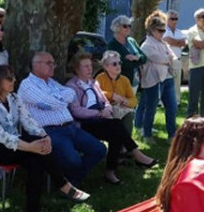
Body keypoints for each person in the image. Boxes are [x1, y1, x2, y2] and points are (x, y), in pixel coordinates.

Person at [0, 65, 90, 212]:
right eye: (9, 78)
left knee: (36, 160)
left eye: (13, 77)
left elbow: (29, 121)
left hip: (17, 144)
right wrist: (30, 146)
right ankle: (63, 186)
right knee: (35, 152)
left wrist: (45, 137)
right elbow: (1, 136)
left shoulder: (15, 98)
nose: (14, 81)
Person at [66, 52, 157, 185]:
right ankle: (135, 155)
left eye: (90, 66)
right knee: (116, 126)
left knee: (116, 131)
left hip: (100, 119)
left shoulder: (93, 83)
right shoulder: (72, 86)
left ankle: (111, 171)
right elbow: (76, 111)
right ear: (76, 69)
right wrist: (97, 112)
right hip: (85, 122)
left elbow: (104, 100)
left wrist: (107, 108)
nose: (90, 69)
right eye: (85, 66)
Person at [18, 52, 106, 186]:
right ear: (36, 65)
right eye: (49, 63)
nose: (53, 66)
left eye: (53, 63)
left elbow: (71, 94)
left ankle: (70, 182)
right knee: (73, 161)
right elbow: (51, 103)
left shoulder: (52, 82)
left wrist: (57, 98)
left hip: (71, 127)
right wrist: (59, 99)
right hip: (50, 131)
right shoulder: (27, 85)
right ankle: (68, 183)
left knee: (99, 149)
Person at [138, 11, 180, 140]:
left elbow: (173, 56)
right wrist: (168, 58)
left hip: (168, 79)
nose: (162, 33)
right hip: (154, 81)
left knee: (172, 108)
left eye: (164, 30)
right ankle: (147, 134)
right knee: (151, 108)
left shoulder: (163, 43)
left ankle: (172, 135)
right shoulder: (146, 45)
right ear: (151, 30)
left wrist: (168, 58)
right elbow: (159, 58)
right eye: (160, 30)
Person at [96, 51, 137, 136]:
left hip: (120, 108)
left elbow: (134, 100)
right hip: (104, 109)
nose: (118, 66)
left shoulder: (124, 80)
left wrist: (126, 102)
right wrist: (111, 95)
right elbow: (96, 93)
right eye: (114, 64)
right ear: (106, 66)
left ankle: (126, 144)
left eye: (119, 63)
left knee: (130, 113)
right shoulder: (100, 78)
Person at [107, 15, 147, 91]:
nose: (128, 28)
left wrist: (136, 57)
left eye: (129, 26)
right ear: (117, 27)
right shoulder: (112, 45)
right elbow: (117, 64)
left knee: (132, 102)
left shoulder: (131, 41)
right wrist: (129, 59)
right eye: (125, 26)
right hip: (119, 82)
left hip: (135, 82)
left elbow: (144, 58)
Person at [163, 10, 187, 104]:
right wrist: (178, 42)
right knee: (165, 81)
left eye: (176, 19)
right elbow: (167, 41)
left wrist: (175, 42)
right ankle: (161, 101)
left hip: (177, 59)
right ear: (167, 19)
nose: (175, 21)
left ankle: (176, 101)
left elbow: (184, 43)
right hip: (167, 60)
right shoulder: (163, 30)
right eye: (172, 19)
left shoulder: (179, 32)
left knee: (177, 82)